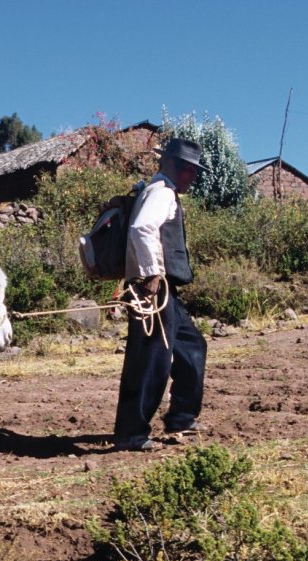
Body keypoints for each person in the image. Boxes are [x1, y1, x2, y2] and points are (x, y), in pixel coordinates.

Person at [113, 138, 208, 451]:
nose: (192, 176)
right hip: (154, 291)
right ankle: (132, 434)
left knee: (192, 346)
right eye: (189, 169)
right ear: (172, 166)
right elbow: (142, 228)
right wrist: (152, 273)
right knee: (150, 360)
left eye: (194, 170)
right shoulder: (162, 193)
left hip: (166, 291)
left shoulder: (157, 191)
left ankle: (181, 416)